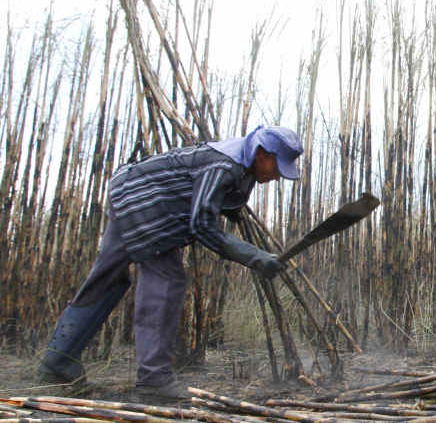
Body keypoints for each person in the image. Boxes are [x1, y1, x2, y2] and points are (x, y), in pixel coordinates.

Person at [37, 125, 304, 400]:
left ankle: (57, 361)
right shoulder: (224, 164)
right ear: (261, 153)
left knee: (108, 276)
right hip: (145, 200)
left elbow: (217, 198)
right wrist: (255, 257)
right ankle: (154, 379)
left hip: (127, 189)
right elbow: (201, 225)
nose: (276, 175)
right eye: (276, 166)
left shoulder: (243, 162)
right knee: (166, 278)